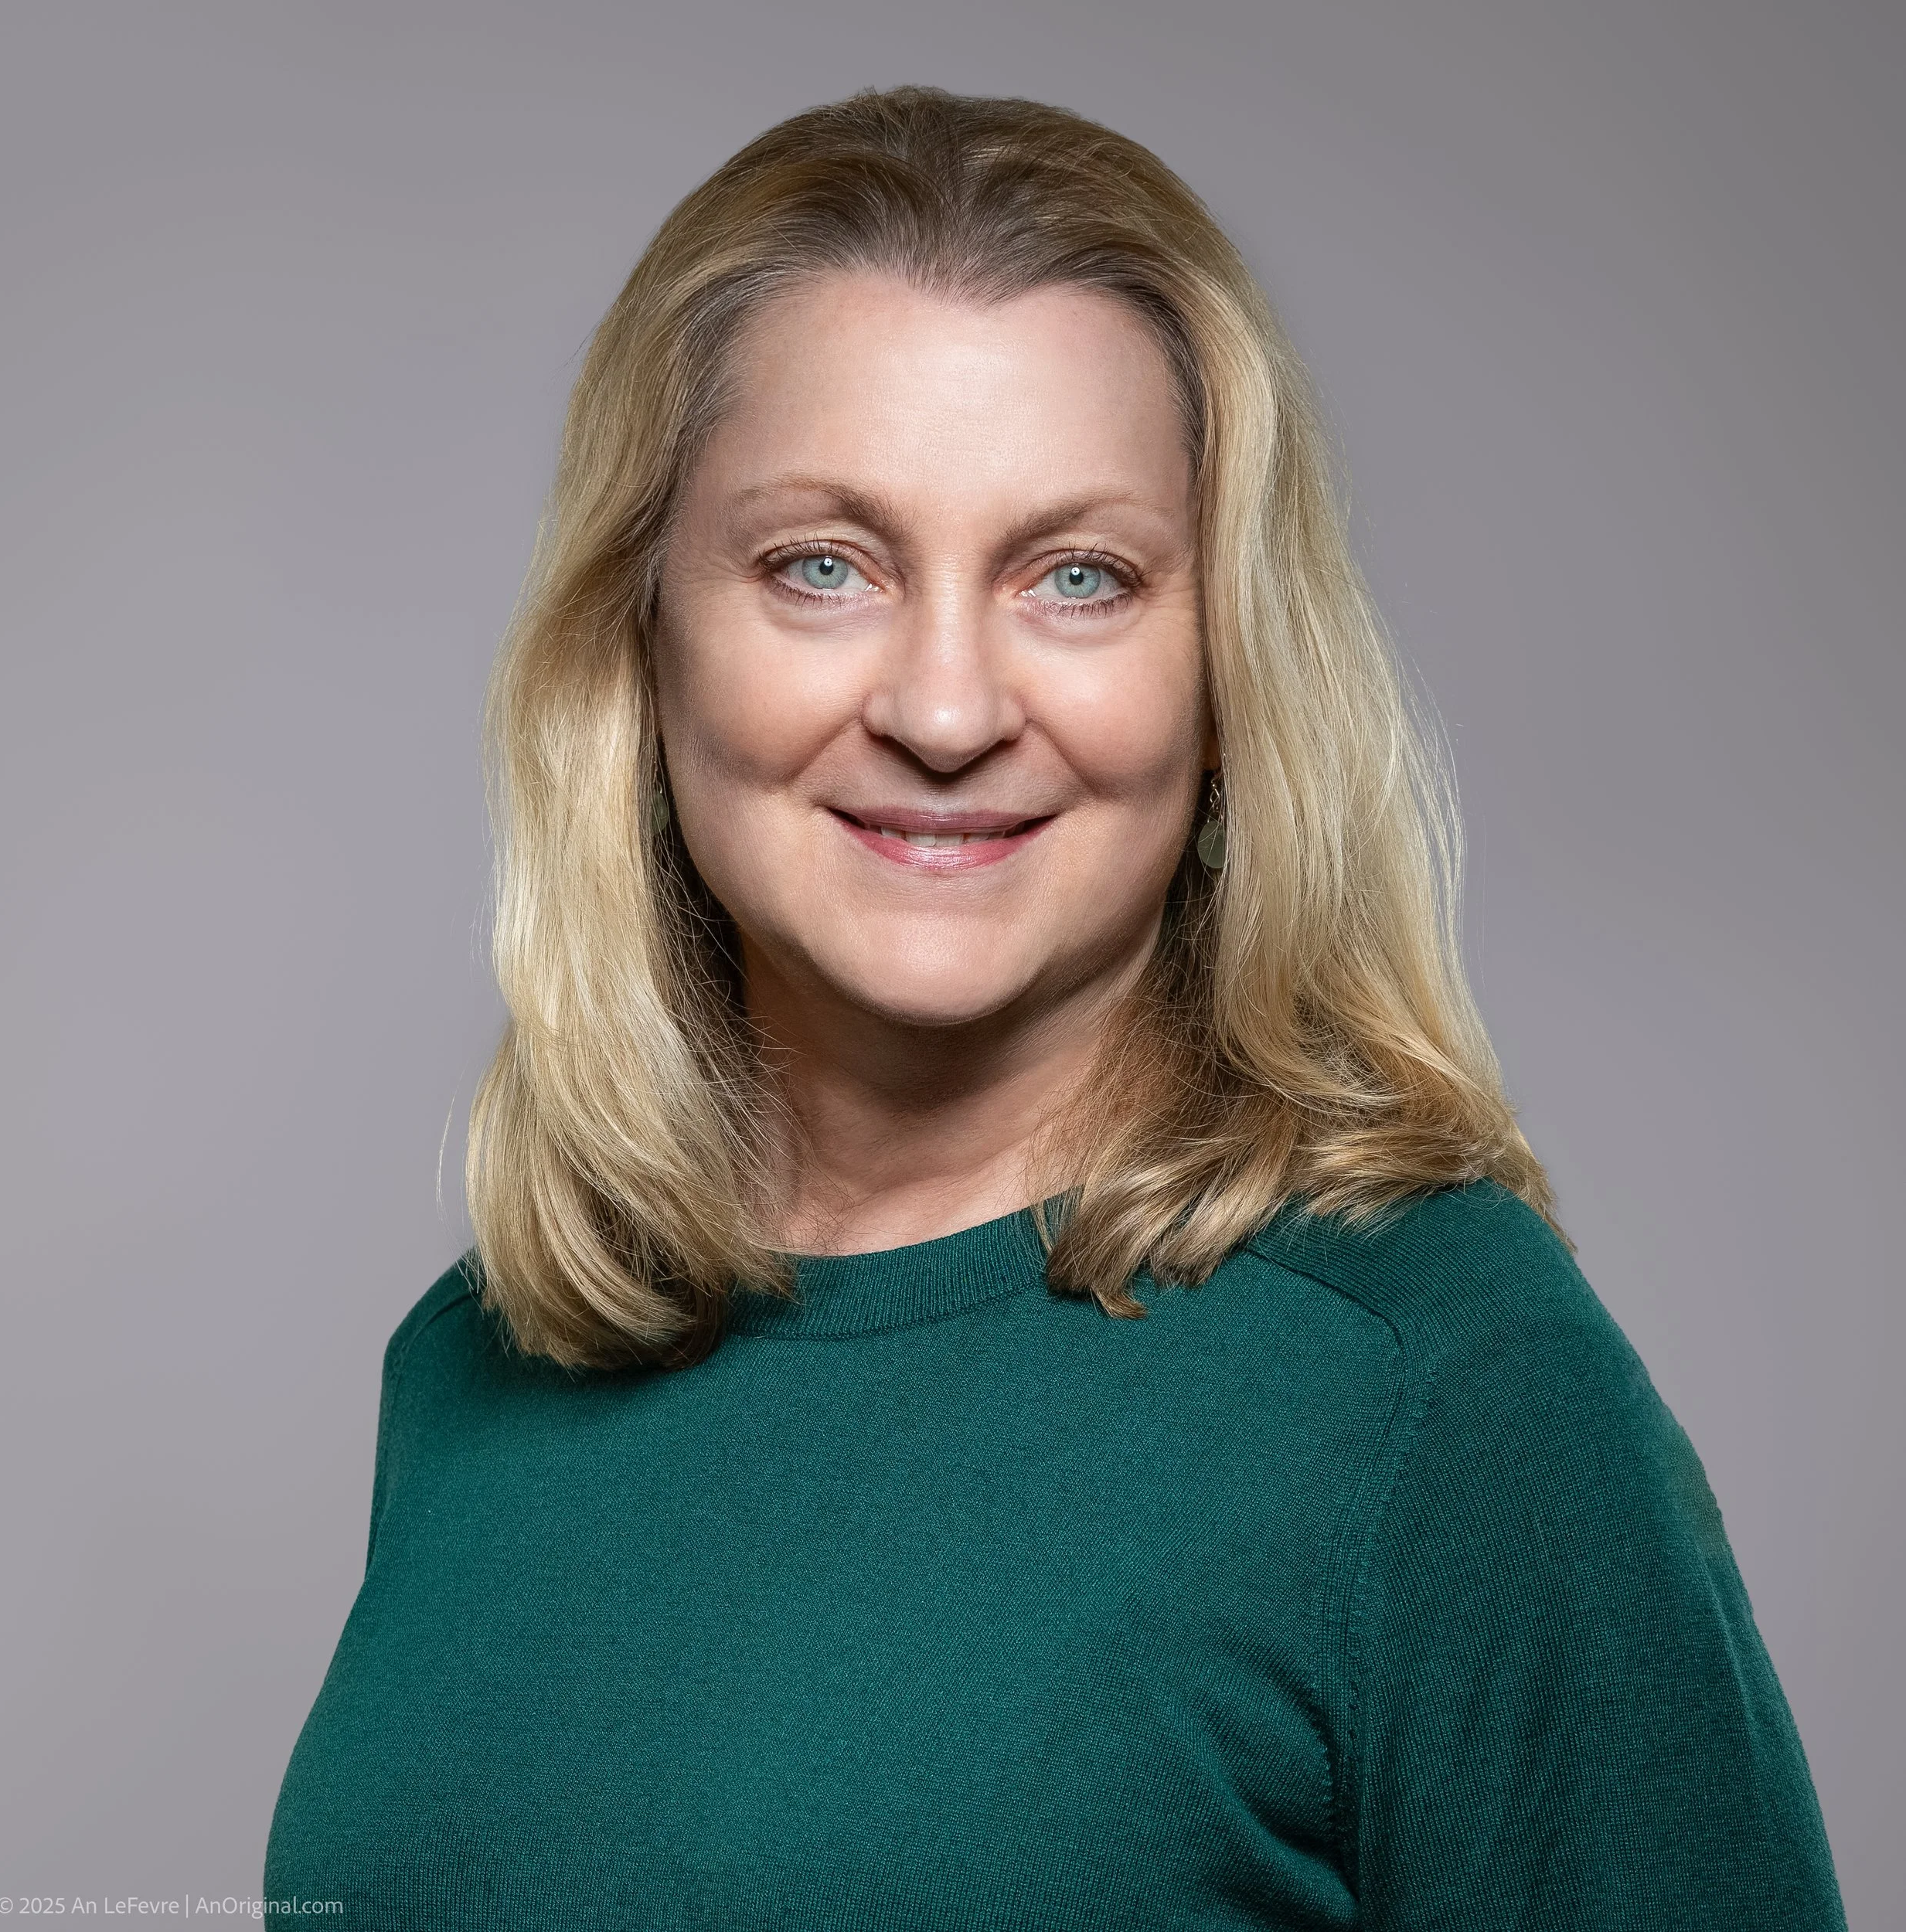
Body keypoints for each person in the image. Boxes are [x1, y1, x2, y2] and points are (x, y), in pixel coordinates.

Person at [264, 87, 1845, 1928]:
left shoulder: (1435, 1383)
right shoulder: (479, 1363)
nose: (944, 709)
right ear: (640, 637)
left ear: (1222, 670)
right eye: (821, 565)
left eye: (1076, 577)